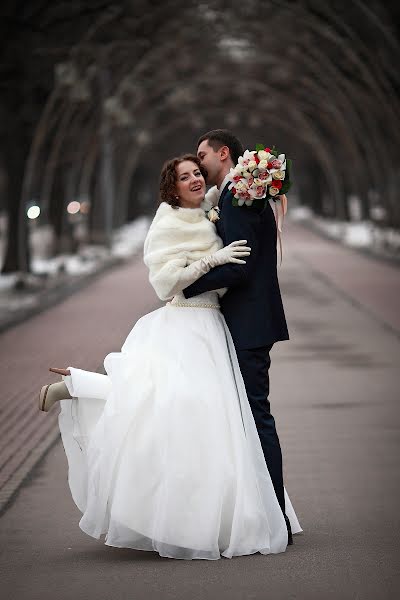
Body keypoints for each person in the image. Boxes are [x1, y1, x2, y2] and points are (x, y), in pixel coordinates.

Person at [38, 154, 301, 560]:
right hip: (183, 323)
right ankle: (76, 386)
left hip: (214, 327)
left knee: (204, 422)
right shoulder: (167, 220)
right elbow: (164, 283)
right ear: (171, 186)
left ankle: (213, 515)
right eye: (185, 177)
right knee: (162, 407)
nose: (195, 179)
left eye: (197, 172)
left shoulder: (209, 211)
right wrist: (212, 260)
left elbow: (231, 203)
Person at [183, 130, 292, 541]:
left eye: (202, 156)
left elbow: (241, 264)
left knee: (257, 417)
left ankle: (274, 517)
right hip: (248, 320)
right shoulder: (235, 193)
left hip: (249, 323)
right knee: (248, 417)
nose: (199, 164)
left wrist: (185, 284)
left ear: (223, 154)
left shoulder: (239, 196)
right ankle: (263, 509)